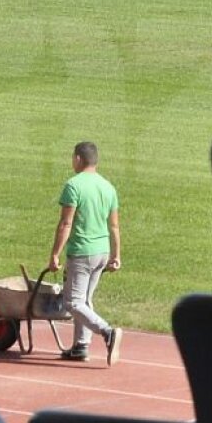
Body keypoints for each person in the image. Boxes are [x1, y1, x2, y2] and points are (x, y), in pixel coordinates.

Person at [47, 141, 123, 365]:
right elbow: (115, 226)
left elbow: (65, 223)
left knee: (73, 303)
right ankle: (81, 345)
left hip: (82, 251)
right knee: (85, 300)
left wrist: (55, 254)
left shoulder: (74, 185)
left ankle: (108, 332)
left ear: (78, 159)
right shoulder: (108, 187)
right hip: (102, 251)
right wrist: (116, 255)